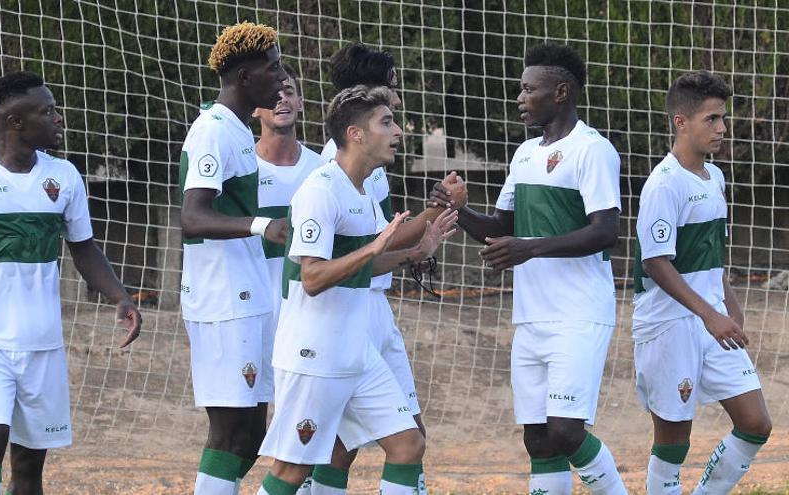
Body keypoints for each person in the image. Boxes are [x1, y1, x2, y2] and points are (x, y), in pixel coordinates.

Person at [0, 71, 141, 495]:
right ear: (15, 121)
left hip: (43, 344)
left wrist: (119, 296)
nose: (59, 119)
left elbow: (84, 248)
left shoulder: (65, 178)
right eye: (47, 111)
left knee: (30, 465)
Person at [429, 44, 627, 494]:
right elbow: (502, 228)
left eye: (528, 89)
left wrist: (529, 249)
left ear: (560, 92)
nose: (519, 98)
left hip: (578, 314)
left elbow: (605, 232)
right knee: (538, 439)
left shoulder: (592, 150)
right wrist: (456, 211)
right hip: (531, 317)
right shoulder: (524, 155)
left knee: (566, 431)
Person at [256, 85, 457, 495]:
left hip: (355, 350)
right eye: (386, 122)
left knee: (408, 444)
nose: (397, 131)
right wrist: (374, 245)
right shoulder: (319, 190)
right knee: (291, 471)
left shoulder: (363, 190)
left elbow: (364, 265)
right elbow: (312, 278)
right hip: (314, 354)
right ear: (356, 134)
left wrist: (416, 250)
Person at [301, 42, 449, 495]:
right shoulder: (336, 166)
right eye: (391, 86)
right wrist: (435, 209)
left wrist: (419, 246)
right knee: (402, 440)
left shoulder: (369, 160)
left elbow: (382, 238)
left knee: (345, 443)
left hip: (373, 307)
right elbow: (369, 244)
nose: (398, 99)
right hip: (349, 314)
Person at [632, 70, 771, 495]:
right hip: (669, 326)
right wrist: (709, 313)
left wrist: (727, 300)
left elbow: (711, 253)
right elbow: (656, 262)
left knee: (755, 423)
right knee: (673, 441)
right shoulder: (664, 183)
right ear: (681, 121)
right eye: (711, 119)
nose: (722, 128)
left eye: (722, 118)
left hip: (712, 320)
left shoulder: (716, 178)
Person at [178, 21, 288, 495]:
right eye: (274, 68)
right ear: (245, 77)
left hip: (248, 293)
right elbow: (192, 217)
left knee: (253, 434)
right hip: (222, 299)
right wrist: (264, 226)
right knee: (230, 432)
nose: (282, 78)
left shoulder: (239, 130)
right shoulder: (212, 131)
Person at [253, 63, 323, 316]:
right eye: (272, 94)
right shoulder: (242, 170)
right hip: (255, 309)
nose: (281, 99)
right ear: (254, 109)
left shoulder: (323, 170)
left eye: (288, 92)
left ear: (300, 103)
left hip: (309, 313)